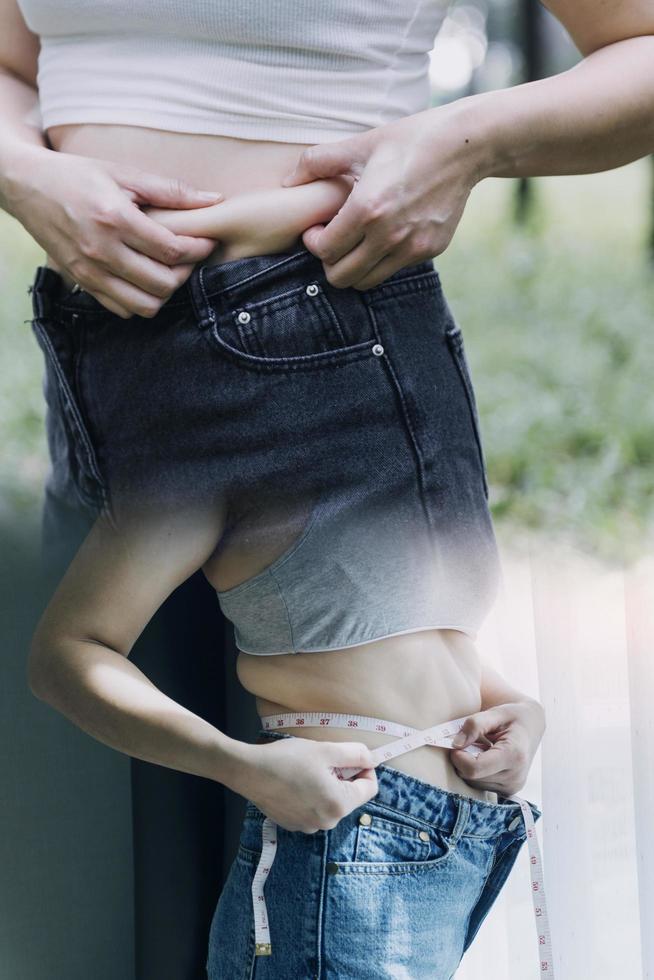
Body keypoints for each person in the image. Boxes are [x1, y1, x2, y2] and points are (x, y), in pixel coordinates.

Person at [2, 0, 653, 975]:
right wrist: (24, 171)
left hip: (334, 336)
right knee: (119, 885)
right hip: (114, 378)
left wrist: (466, 139)